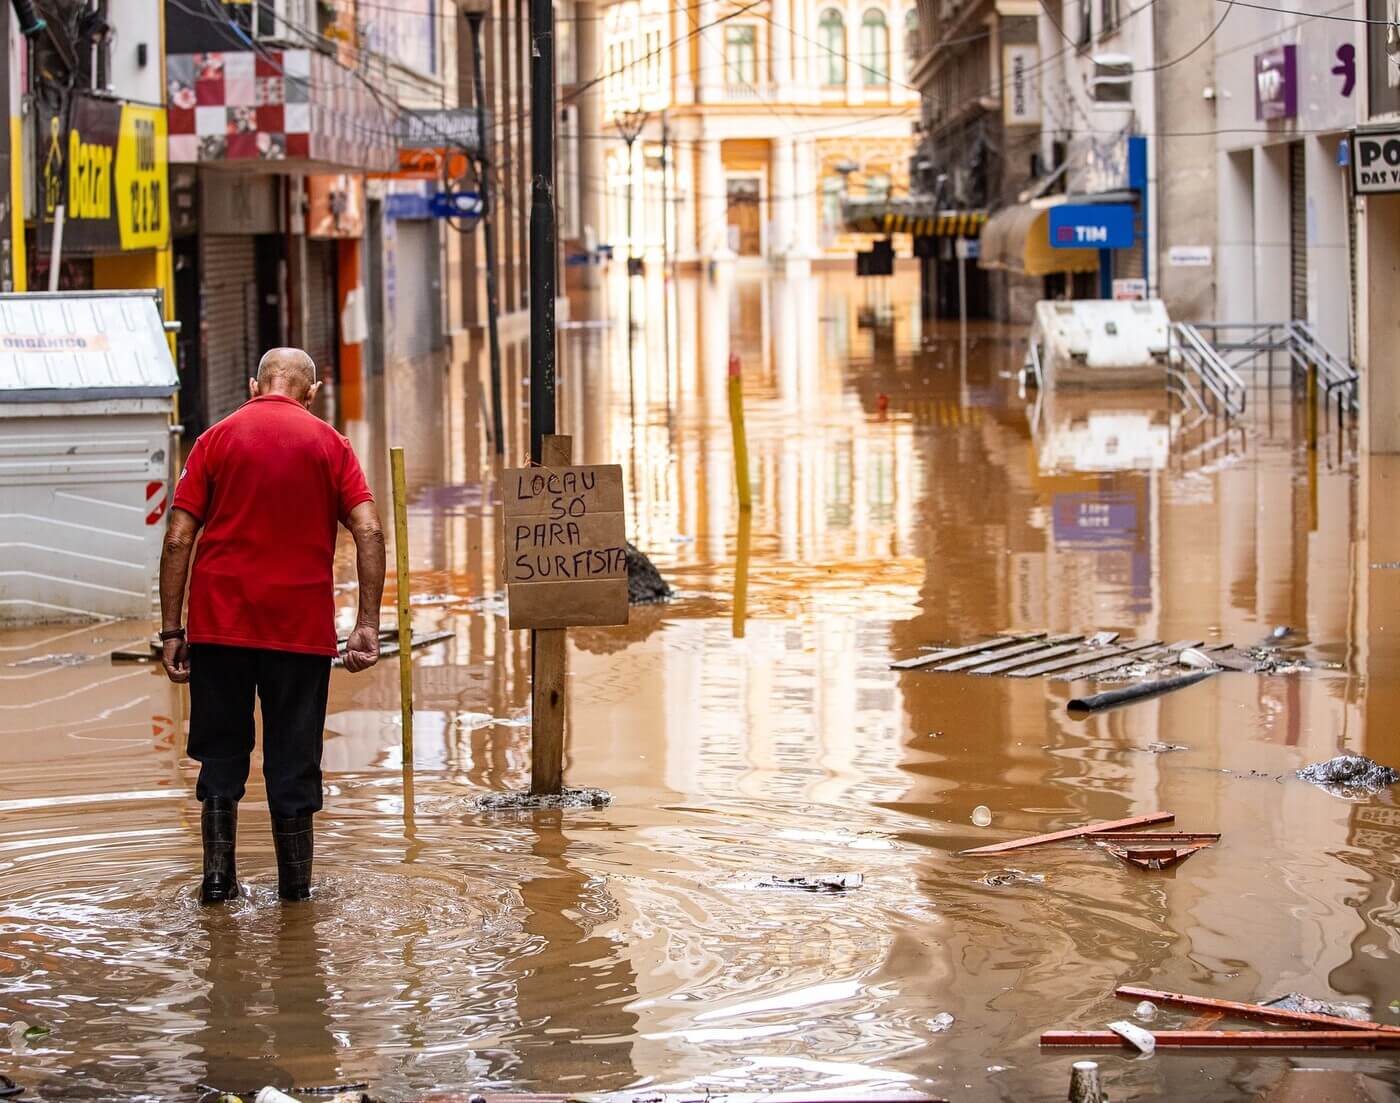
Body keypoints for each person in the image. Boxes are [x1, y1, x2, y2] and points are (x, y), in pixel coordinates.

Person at [158, 348, 386, 904]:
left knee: (220, 754)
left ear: (253, 385)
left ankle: (217, 883)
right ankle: (296, 893)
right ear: (313, 392)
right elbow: (370, 532)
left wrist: (172, 630)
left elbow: (178, 537)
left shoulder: (213, 440)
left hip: (220, 630)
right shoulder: (331, 445)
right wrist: (367, 624)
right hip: (300, 634)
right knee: (293, 760)